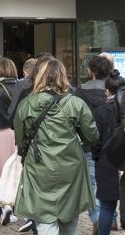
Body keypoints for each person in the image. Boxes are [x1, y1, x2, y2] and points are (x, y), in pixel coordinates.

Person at [14, 59, 99, 235]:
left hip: (39, 167)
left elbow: (20, 140)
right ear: (62, 76)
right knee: (69, 216)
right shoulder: (75, 103)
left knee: (45, 219)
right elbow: (92, 136)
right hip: (71, 167)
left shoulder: (26, 104)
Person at [75, 55, 113, 234]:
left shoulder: (80, 91)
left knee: (91, 184)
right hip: (112, 145)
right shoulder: (113, 91)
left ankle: (97, 217)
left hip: (88, 143)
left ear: (90, 71)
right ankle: (109, 218)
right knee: (110, 184)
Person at [94, 69, 123, 235]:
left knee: (106, 208)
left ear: (107, 91)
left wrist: (98, 158)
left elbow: (95, 141)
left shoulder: (100, 112)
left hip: (106, 162)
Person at [0, 57, 18, 225]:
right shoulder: (21, 87)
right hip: (14, 132)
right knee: (13, 171)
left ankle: (0, 205)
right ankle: (11, 206)